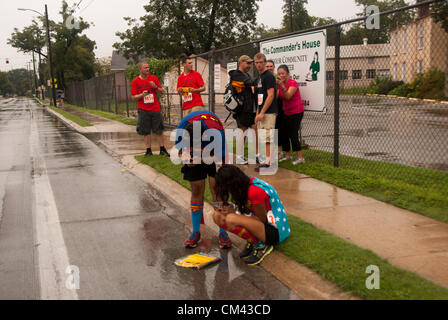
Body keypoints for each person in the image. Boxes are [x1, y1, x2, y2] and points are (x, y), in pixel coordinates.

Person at [175, 110, 232, 249]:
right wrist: (186, 158)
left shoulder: (216, 133)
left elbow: (219, 158)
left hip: (215, 154)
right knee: (196, 188)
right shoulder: (182, 128)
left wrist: (200, 158)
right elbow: (179, 152)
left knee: (216, 188)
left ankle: (223, 232)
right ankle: (195, 232)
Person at [212, 165, 290, 266]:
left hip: (274, 231)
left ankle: (262, 246)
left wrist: (235, 213)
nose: (225, 189)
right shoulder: (243, 186)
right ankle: (253, 241)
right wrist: (232, 209)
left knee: (231, 218)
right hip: (259, 225)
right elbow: (248, 210)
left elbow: (262, 219)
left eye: (224, 185)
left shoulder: (254, 191)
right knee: (217, 216)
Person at [131, 61, 169, 157]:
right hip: (143, 109)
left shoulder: (153, 78)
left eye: (148, 67)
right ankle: (148, 150)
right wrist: (142, 95)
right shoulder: (136, 81)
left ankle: (162, 149)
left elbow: (162, 92)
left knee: (159, 129)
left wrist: (155, 87)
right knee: (146, 130)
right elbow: (133, 97)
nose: (148, 69)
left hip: (155, 108)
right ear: (140, 69)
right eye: (145, 68)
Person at [228, 55, 257, 165]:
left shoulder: (245, 75)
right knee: (242, 131)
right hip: (242, 109)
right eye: (247, 63)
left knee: (251, 129)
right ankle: (239, 156)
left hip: (249, 108)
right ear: (241, 63)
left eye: (250, 63)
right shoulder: (236, 74)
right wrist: (259, 80)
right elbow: (249, 83)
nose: (249, 65)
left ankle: (252, 154)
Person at [254, 53, 278, 172]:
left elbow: (271, 95)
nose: (258, 65)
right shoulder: (259, 77)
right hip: (262, 111)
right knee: (264, 137)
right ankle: (267, 160)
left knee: (268, 137)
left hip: (269, 112)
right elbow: (260, 97)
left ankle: (269, 163)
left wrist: (262, 112)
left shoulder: (268, 76)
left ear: (264, 62)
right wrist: (257, 113)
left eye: (261, 62)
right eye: (256, 62)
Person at [277, 65, 305, 165]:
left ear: (288, 74)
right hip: (286, 112)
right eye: (279, 74)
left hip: (296, 112)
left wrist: (282, 86)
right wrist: (277, 86)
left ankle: (300, 157)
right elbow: (277, 96)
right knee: (284, 133)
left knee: (293, 134)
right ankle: (288, 155)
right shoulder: (280, 85)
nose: (281, 75)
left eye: (283, 73)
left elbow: (288, 96)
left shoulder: (293, 83)